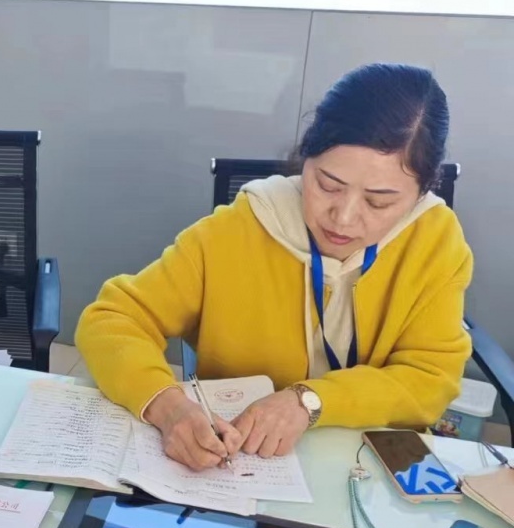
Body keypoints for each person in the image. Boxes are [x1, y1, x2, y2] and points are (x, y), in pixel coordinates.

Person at [77, 63, 473, 471]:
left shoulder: (435, 241)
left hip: (374, 467)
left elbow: (431, 379)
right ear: (305, 158)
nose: (342, 218)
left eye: (379, 201)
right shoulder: (239, 228)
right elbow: (112, 319)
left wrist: (309, 401)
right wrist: (167, 405)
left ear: (421, 193)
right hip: (240, 465)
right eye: (327, 185)